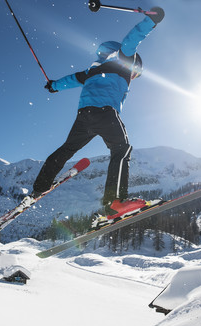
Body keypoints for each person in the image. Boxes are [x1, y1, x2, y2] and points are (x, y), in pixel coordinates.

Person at [29, 7, 165, 219]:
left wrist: (54, 86)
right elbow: (131, 41)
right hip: (105, 113)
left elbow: (70, 80)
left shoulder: (90, 71)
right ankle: (115, 202)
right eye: (136, 73)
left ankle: (40, 186)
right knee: (121, 149)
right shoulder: (124, 60)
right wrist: (151, 22)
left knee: (67, 148)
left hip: (84, 115)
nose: (134, 77)